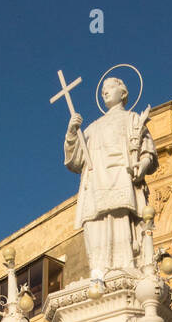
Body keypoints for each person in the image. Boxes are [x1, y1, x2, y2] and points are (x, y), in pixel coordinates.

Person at [64, 76, 158, 278]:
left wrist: (142, 166)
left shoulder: (134, 119)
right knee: (97, 224)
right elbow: (75, 160)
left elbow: (147, 151)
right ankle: (99, 269)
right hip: (96, 185)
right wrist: (72, 132)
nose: (104, 92)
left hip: (122, 178)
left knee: (121, 220)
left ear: (122, 93)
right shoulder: (92, 128)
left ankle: (124, 265)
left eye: (110, 88)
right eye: (103, 90)